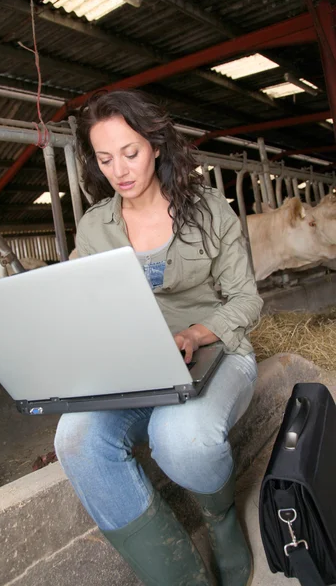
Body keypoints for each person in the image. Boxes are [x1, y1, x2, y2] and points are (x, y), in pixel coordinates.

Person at [54, 89, 263, 586]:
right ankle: (179, 577)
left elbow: (247, 301)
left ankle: (221, 520)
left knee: (181, 438)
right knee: (75, 439)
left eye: (130, 153)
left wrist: (194, 331)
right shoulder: (94, 227)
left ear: (156, 146)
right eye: (105, 159)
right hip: (135, 364)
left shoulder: (210, 210)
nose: (119, 170)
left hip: (216, 353)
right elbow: (82, 305)